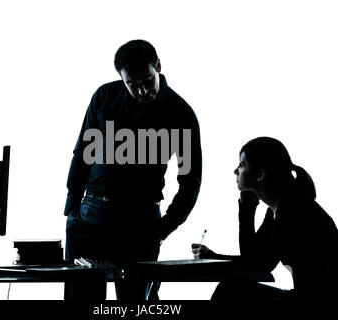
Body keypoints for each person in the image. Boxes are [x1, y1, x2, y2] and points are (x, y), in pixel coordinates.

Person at [65, 40, 202, 301]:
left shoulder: (179, 114)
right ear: (122, 78)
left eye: (148, 80)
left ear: (159, 67)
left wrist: (163, 228)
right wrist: (73, 207)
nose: (141, 90)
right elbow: (83, 153)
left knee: (134, 305)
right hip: (89, 218)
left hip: (139, 224)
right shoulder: (104, 97)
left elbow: (190, 180)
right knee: (81, 301)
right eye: (132, 84)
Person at [192, 137, 338, 301]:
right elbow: (251, 256)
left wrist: (214, 257)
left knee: (230, 291)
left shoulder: (292, 209)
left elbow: (260, 264)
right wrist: (247, 209)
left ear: (260, 174)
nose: (235, 171)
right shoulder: (279, 208)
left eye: (241, 164)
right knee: (231, 288)